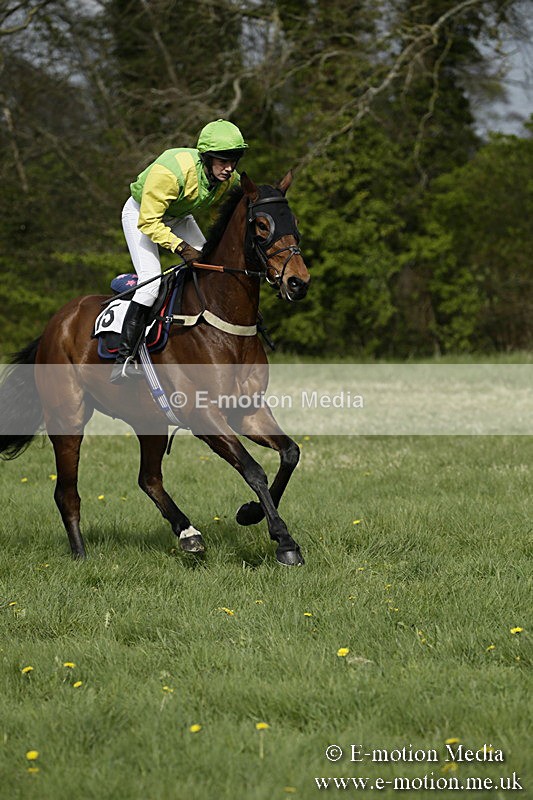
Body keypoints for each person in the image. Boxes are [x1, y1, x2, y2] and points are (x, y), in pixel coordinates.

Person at [110, 118, 248, 383]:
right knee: (150, 285)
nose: (229, 169)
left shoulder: (228, 178)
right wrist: (182, 248)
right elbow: (149, 222)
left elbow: (247, 197)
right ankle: (124, 359)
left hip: (179, 217)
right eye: (222, 161)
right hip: (142, 215)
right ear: (206, 158)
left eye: (233, 161)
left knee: (210, 270)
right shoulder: (171, 173)